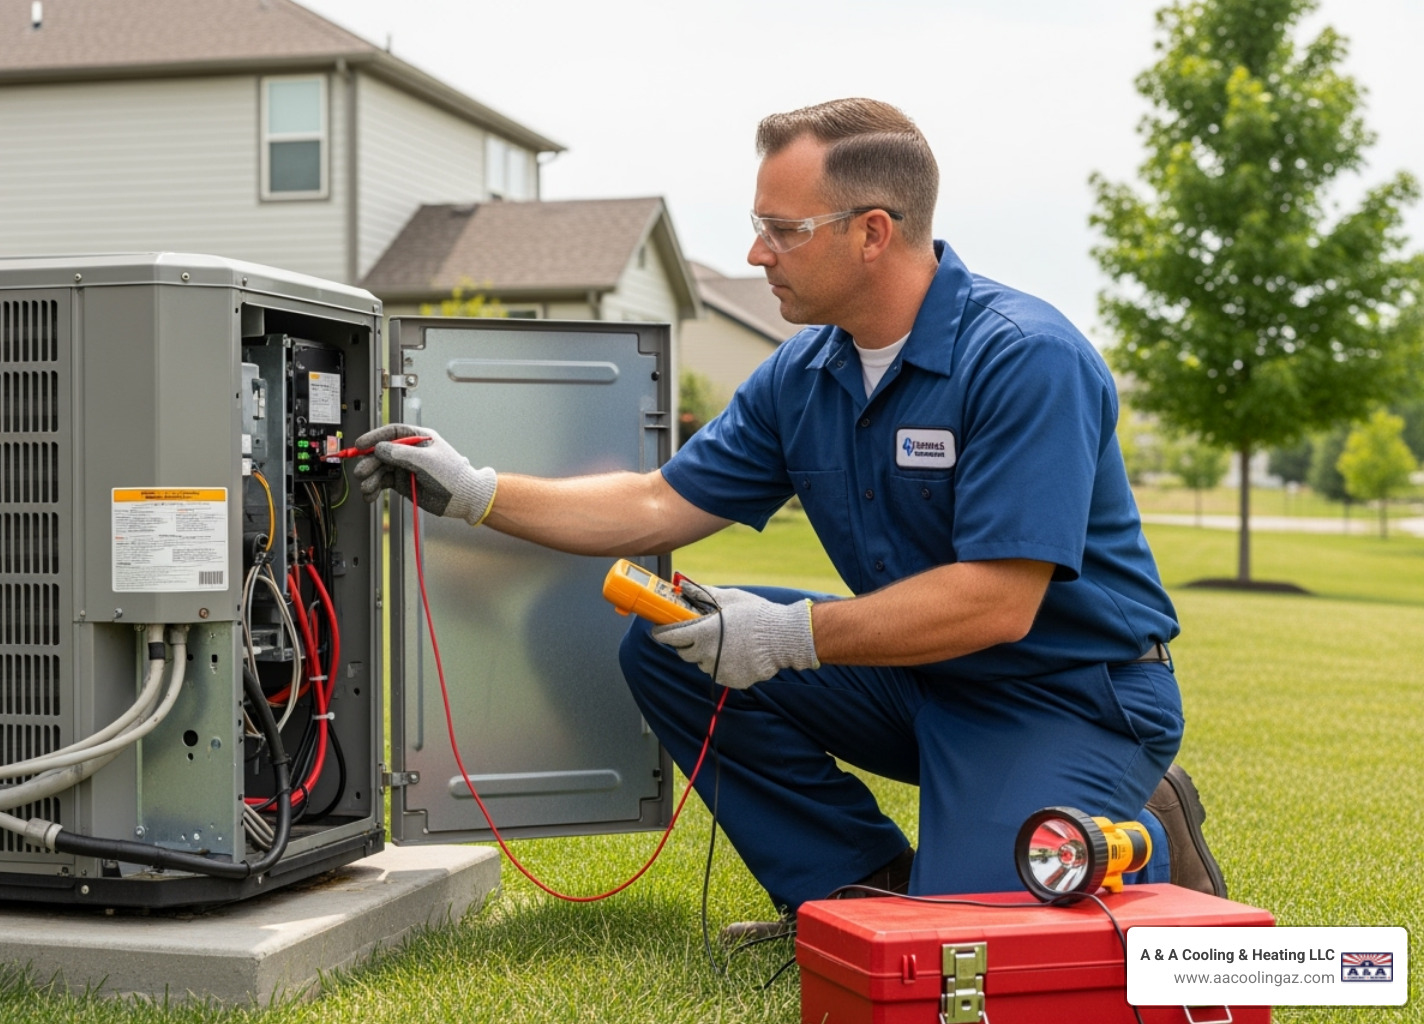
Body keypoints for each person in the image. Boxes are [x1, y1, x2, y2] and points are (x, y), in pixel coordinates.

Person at [353, 97, 1225, 935]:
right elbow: (659, 502)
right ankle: (857, 890)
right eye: (759, 224)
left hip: (1066, 695)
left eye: (784, 229)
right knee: (669, 648)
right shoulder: (804, 371)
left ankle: (1145, 826)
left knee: (974, 945)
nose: (758, 251)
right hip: (922, 677)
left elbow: (996, 601)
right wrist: (474, 490)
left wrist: (792, 635)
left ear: (872, 231)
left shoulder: (1024, 358)